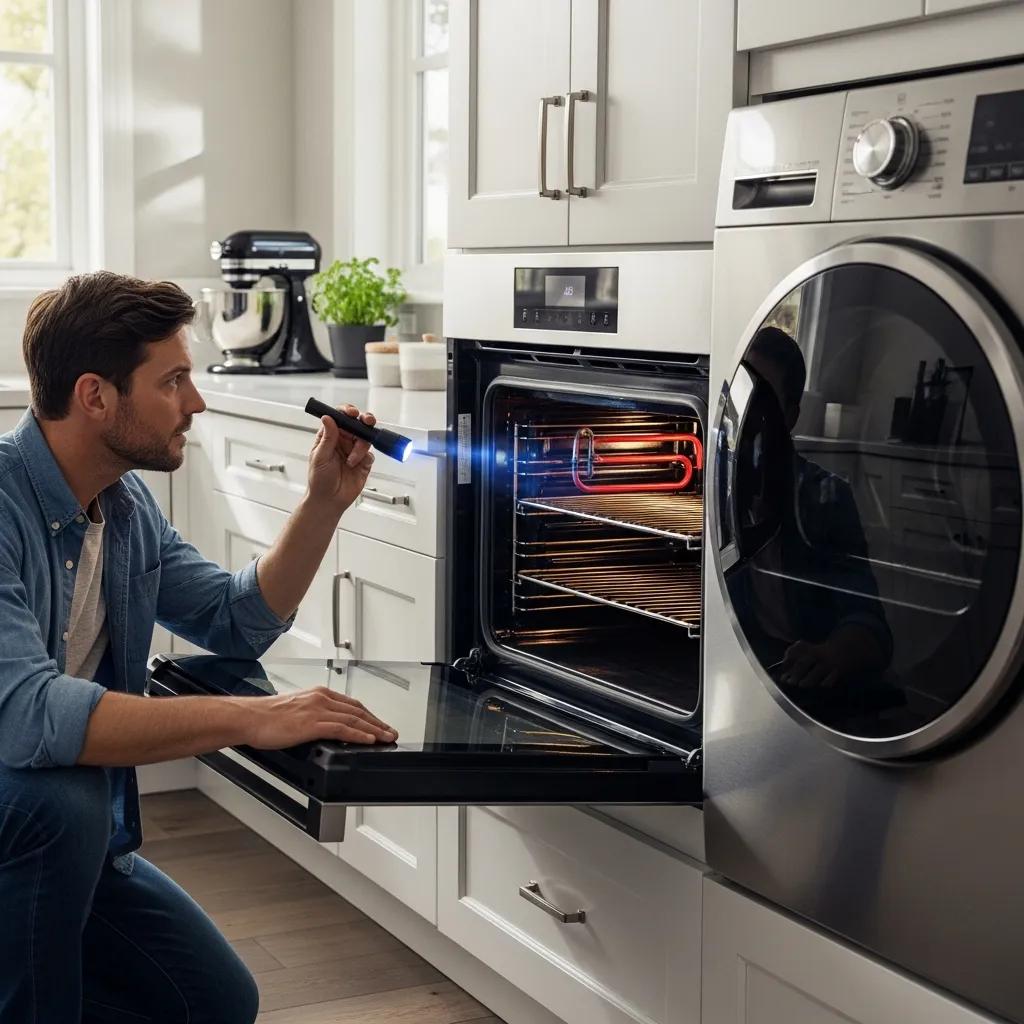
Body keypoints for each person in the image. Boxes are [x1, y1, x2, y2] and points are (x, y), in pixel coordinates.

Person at [0, 271, 398, 1024]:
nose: (196, 401)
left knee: (213, 1001)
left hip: (70, 834)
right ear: (96, 396)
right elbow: (32, 717)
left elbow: (233, 618)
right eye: (174, 379)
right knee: (66, 798)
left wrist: (323, 503)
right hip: (35, 811)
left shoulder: (122, 507)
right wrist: (253, 717)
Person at [730, 326, 893, 700]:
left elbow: (871, 626)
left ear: (790, 415)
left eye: (764, 401)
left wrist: (835, 653)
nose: (746, 416)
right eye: (740, 396)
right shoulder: (708, 483)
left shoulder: (825, 497)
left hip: (798, 686)